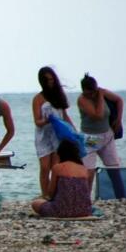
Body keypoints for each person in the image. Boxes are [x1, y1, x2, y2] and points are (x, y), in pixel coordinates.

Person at [77, 74, 125, 197]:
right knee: (89, 171)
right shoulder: (82, 100)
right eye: (88, 93)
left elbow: (119, 100)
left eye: (93, 92)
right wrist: (99, 97)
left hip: (107, 136)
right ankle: (85, 199)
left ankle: (121, 198)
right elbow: (97, 115)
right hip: (90, 139)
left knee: (114, 168)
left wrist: (119, 119)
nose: (91, 95)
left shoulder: (102, 92)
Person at [32, 66, 74, 198]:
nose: (50, 82)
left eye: (51, 79)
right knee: (45, 167)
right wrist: (46, 121)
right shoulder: (38, 98)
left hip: (58, 134)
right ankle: (45, 194)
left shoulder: (59, 96)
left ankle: (55, 193)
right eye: (47, 80)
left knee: (56, 166)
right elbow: (37, 121)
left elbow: (65, 116)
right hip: (43, 135)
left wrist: (73, 131)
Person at [31, 140, 93, 217]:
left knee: (35, 203)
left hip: (61, 210)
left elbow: (51, 192)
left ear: (60, 153)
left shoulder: (57, 168)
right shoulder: (84, 169)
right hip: (84, 211)